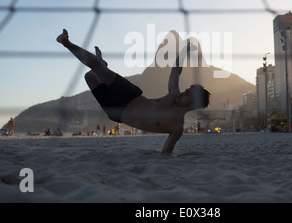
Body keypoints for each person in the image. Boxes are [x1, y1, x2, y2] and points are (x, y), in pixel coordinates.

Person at [56, 29, 210, 154]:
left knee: (89, 76)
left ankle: (102, 63)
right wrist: (184, 51)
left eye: (189, 94)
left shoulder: (177, 128)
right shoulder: (174, 94)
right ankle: (67, 43)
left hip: (117, 112)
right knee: (98, 68)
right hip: (131, 95)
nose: (184, 92)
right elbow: (176, 71)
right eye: (187, 90)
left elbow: (166, 153)